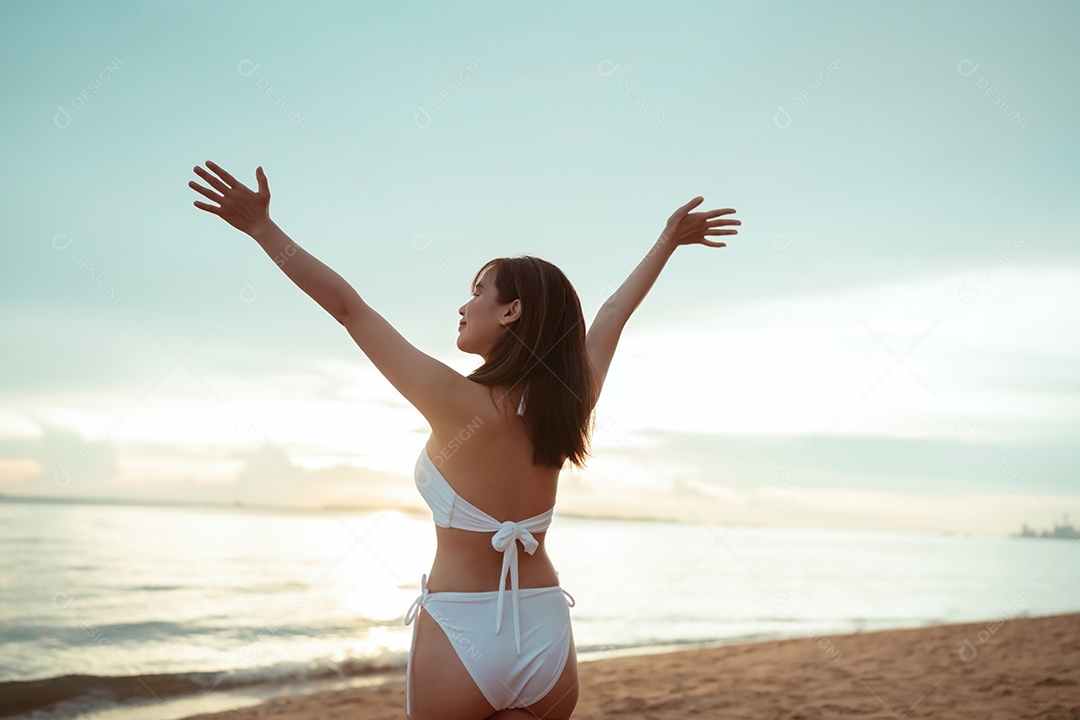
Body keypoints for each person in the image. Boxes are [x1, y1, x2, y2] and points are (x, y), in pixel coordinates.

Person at [188, 161, 740, 719]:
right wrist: (666, 243)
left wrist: (263, 230)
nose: (463, 304)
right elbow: (613, 316)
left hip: (462, 627)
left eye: (477, 291)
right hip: (545, 625)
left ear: (511, 310)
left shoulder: (455, 401)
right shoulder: (570, 402)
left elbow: (349, 308)